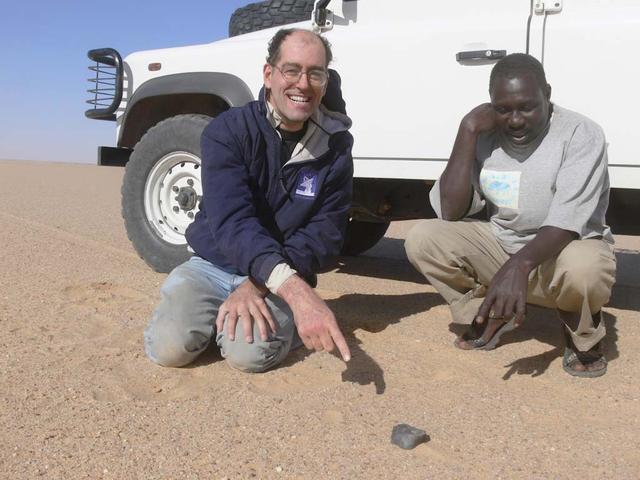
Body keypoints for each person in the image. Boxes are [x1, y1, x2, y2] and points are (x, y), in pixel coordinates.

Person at [144, 28, 353, 372]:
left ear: (326, 82)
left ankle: (245, 327)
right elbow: (232, 222)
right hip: (213, 263)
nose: (303, 83)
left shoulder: (336, 147)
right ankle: (209, 318)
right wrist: (295, 293)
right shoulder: (228, 131)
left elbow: (326, 234)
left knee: (249, 356)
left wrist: (259, 285)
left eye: (316, 73)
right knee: (170, 349)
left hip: (282, 272)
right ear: (269, 74)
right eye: (292, 70)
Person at [405, 53, 616, 378]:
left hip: (563, 250)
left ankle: (582, 331)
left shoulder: (580, 133)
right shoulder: (485, 135)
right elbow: (450, 210)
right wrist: (468, 130)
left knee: (585, 269)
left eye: (527, 107)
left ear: (547, 94)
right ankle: (487, 313)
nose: (515, 120)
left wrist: (518, 266)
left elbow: (567, 221)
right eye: (503, 109)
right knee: (423, 239)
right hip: (505, 247)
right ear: (490, 106)